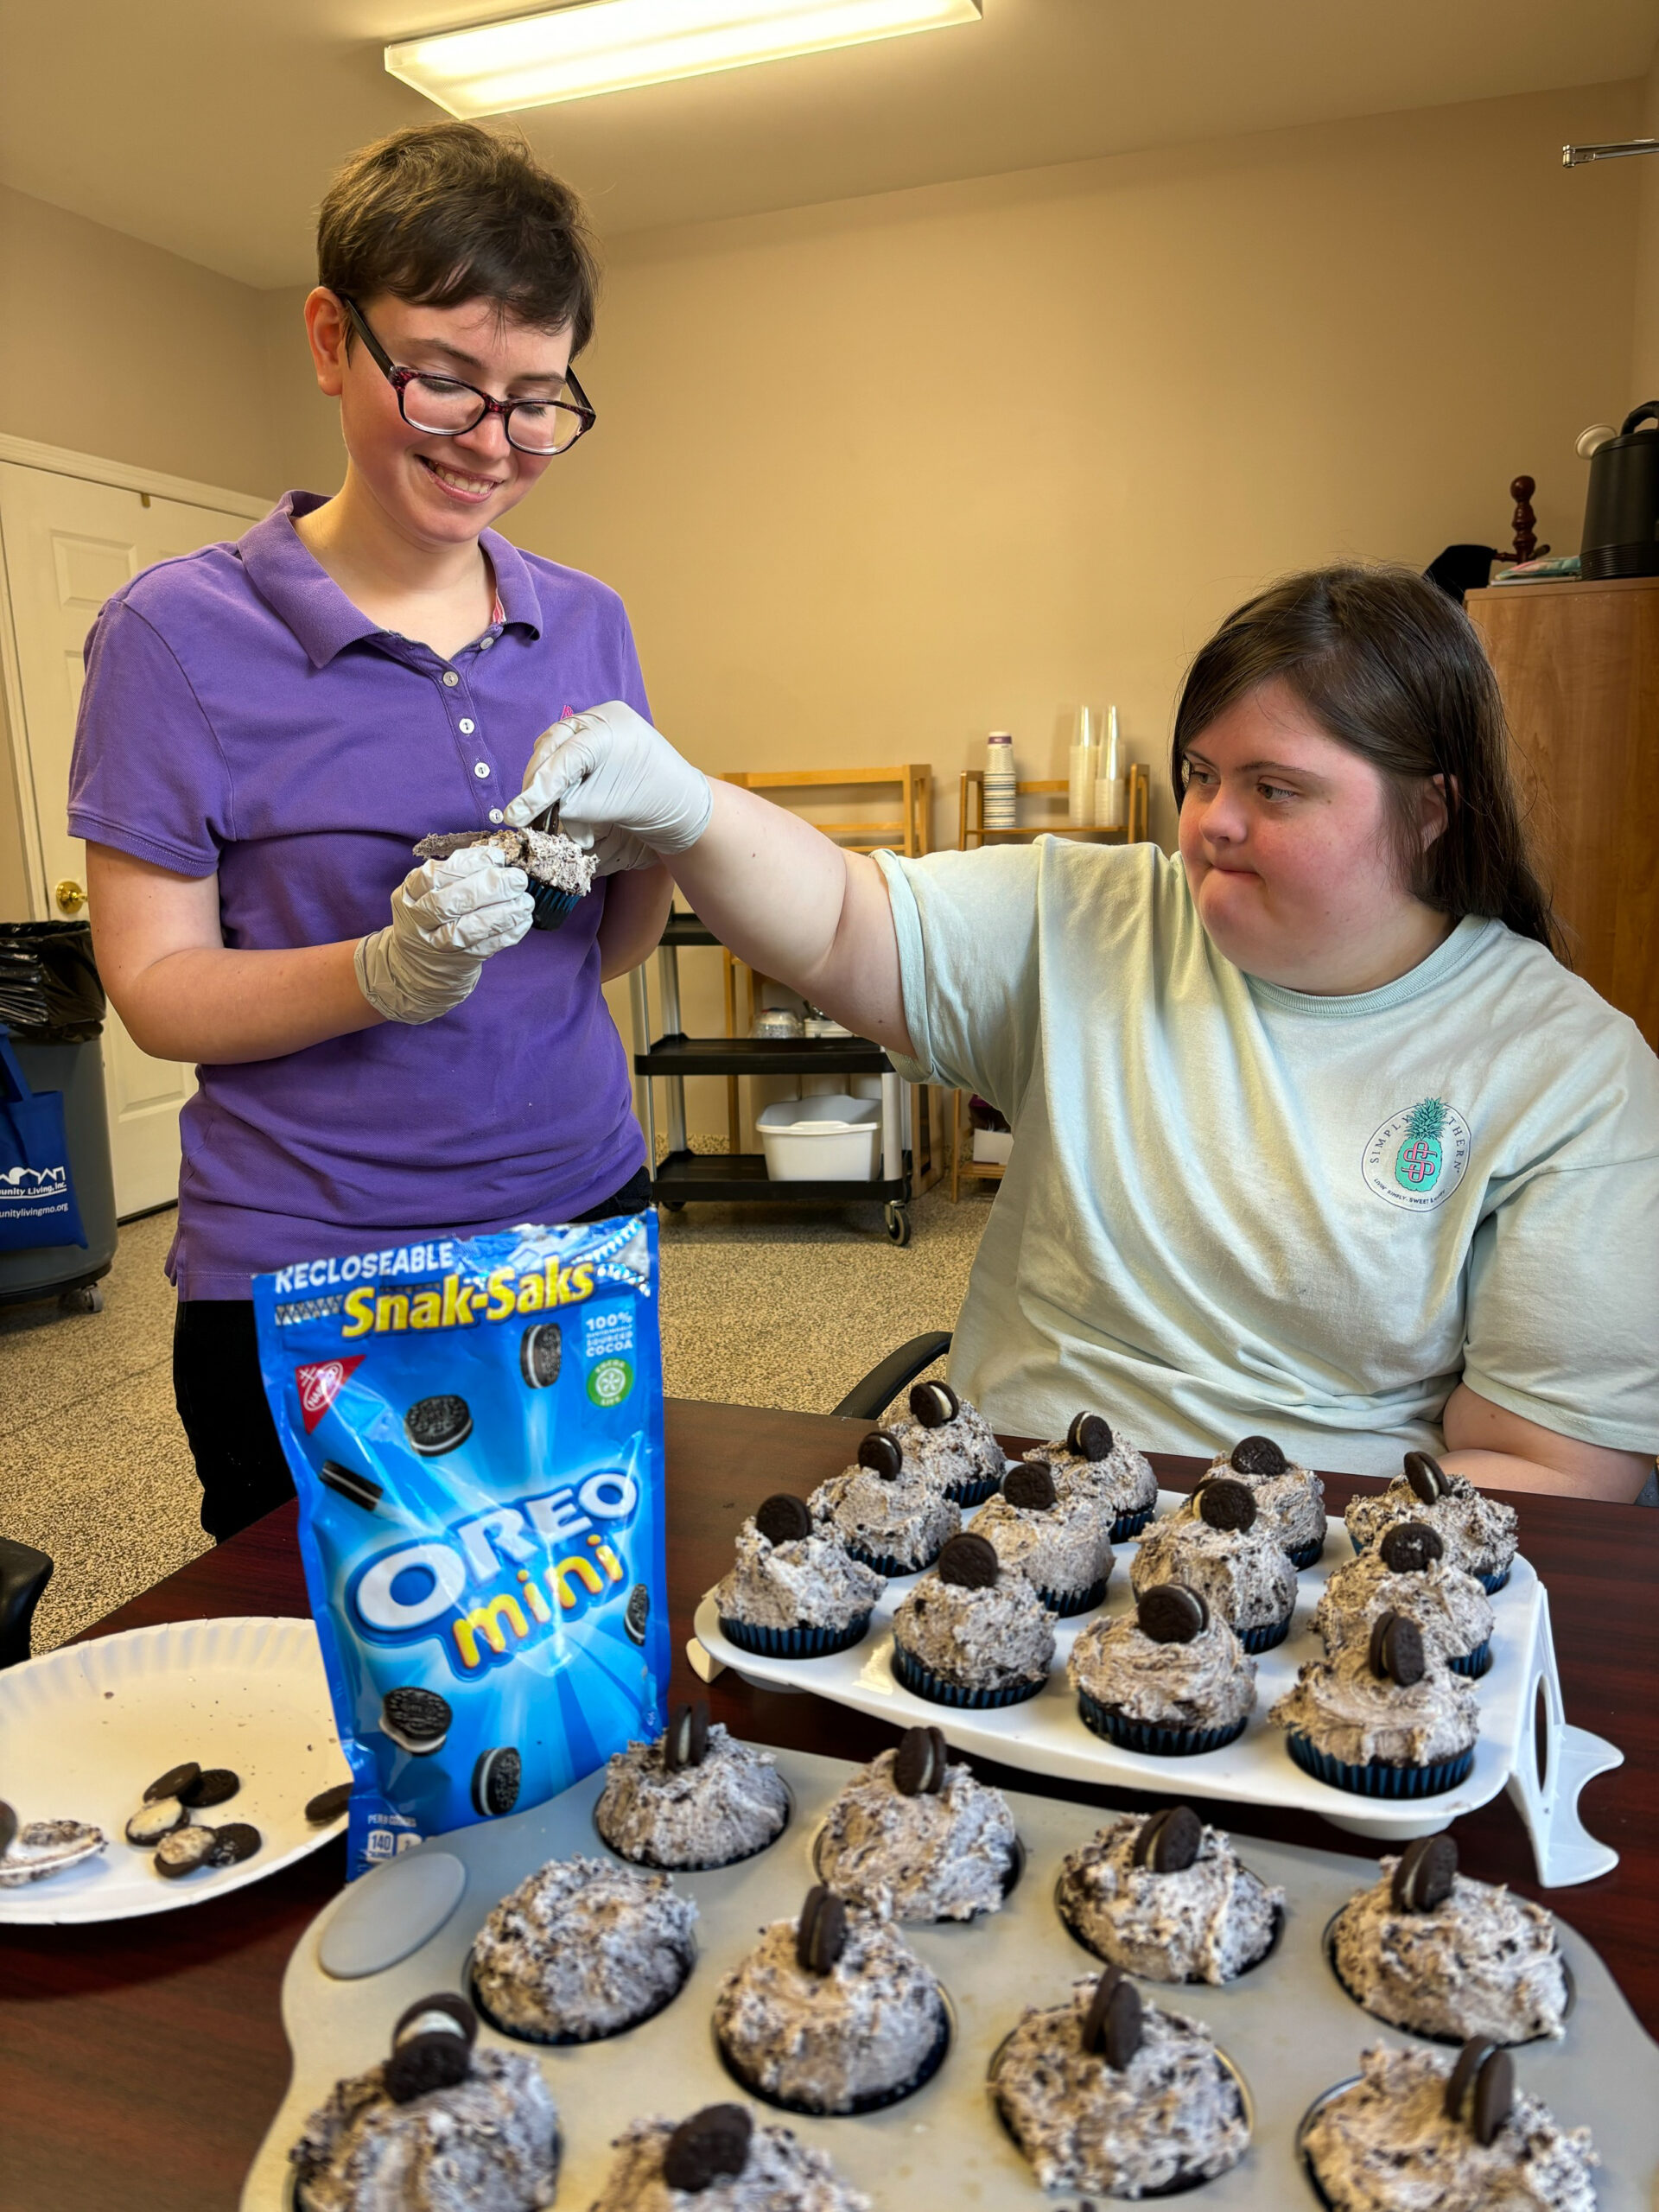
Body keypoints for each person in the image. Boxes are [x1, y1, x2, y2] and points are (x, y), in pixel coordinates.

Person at [507, 565, 1659, 1503]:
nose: (1212, 823)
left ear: (1429, 809)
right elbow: (842, 921)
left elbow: (1549, 1468)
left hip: (1318, 1573)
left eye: (1277, 789)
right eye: (1202, 775)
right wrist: (690, 809)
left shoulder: (1568, 1071)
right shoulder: (1099, 916)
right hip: (1005, 1503)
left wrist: (1251, 1565)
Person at [69, 124, 673, 1540]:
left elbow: (603, 954)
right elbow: (156, 993)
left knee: (576, 1622)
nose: (493, 446)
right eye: (446, 384)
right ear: (332, 338)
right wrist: (378, 975)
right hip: (314, 1266)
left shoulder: (586, 618)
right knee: (334, 1672)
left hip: (577, 1222)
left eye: (538, 401)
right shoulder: (174, 634)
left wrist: (645, 854)